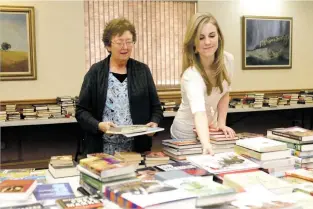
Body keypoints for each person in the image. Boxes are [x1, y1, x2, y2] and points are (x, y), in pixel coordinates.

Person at [76, 17, 163, 155]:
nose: (125, 47)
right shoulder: (96, 72)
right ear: (108, 45)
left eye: (129, 42)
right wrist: (99, 125)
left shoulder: (142, 70)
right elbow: (81, 111)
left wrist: (154, 122)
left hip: (137, 150)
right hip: (103, 148)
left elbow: (156, 108)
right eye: (120, 42)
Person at [170, 13, 236, 155]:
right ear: (193, 43)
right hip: (185, 132)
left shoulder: (228, 60)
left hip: (208, 128)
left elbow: (225, 94)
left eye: (212, 35)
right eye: (201, 38)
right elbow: (199, 113)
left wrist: (221, 124)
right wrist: (206, 144)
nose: (207, 42)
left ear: (219, 36)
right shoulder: (191, 75)